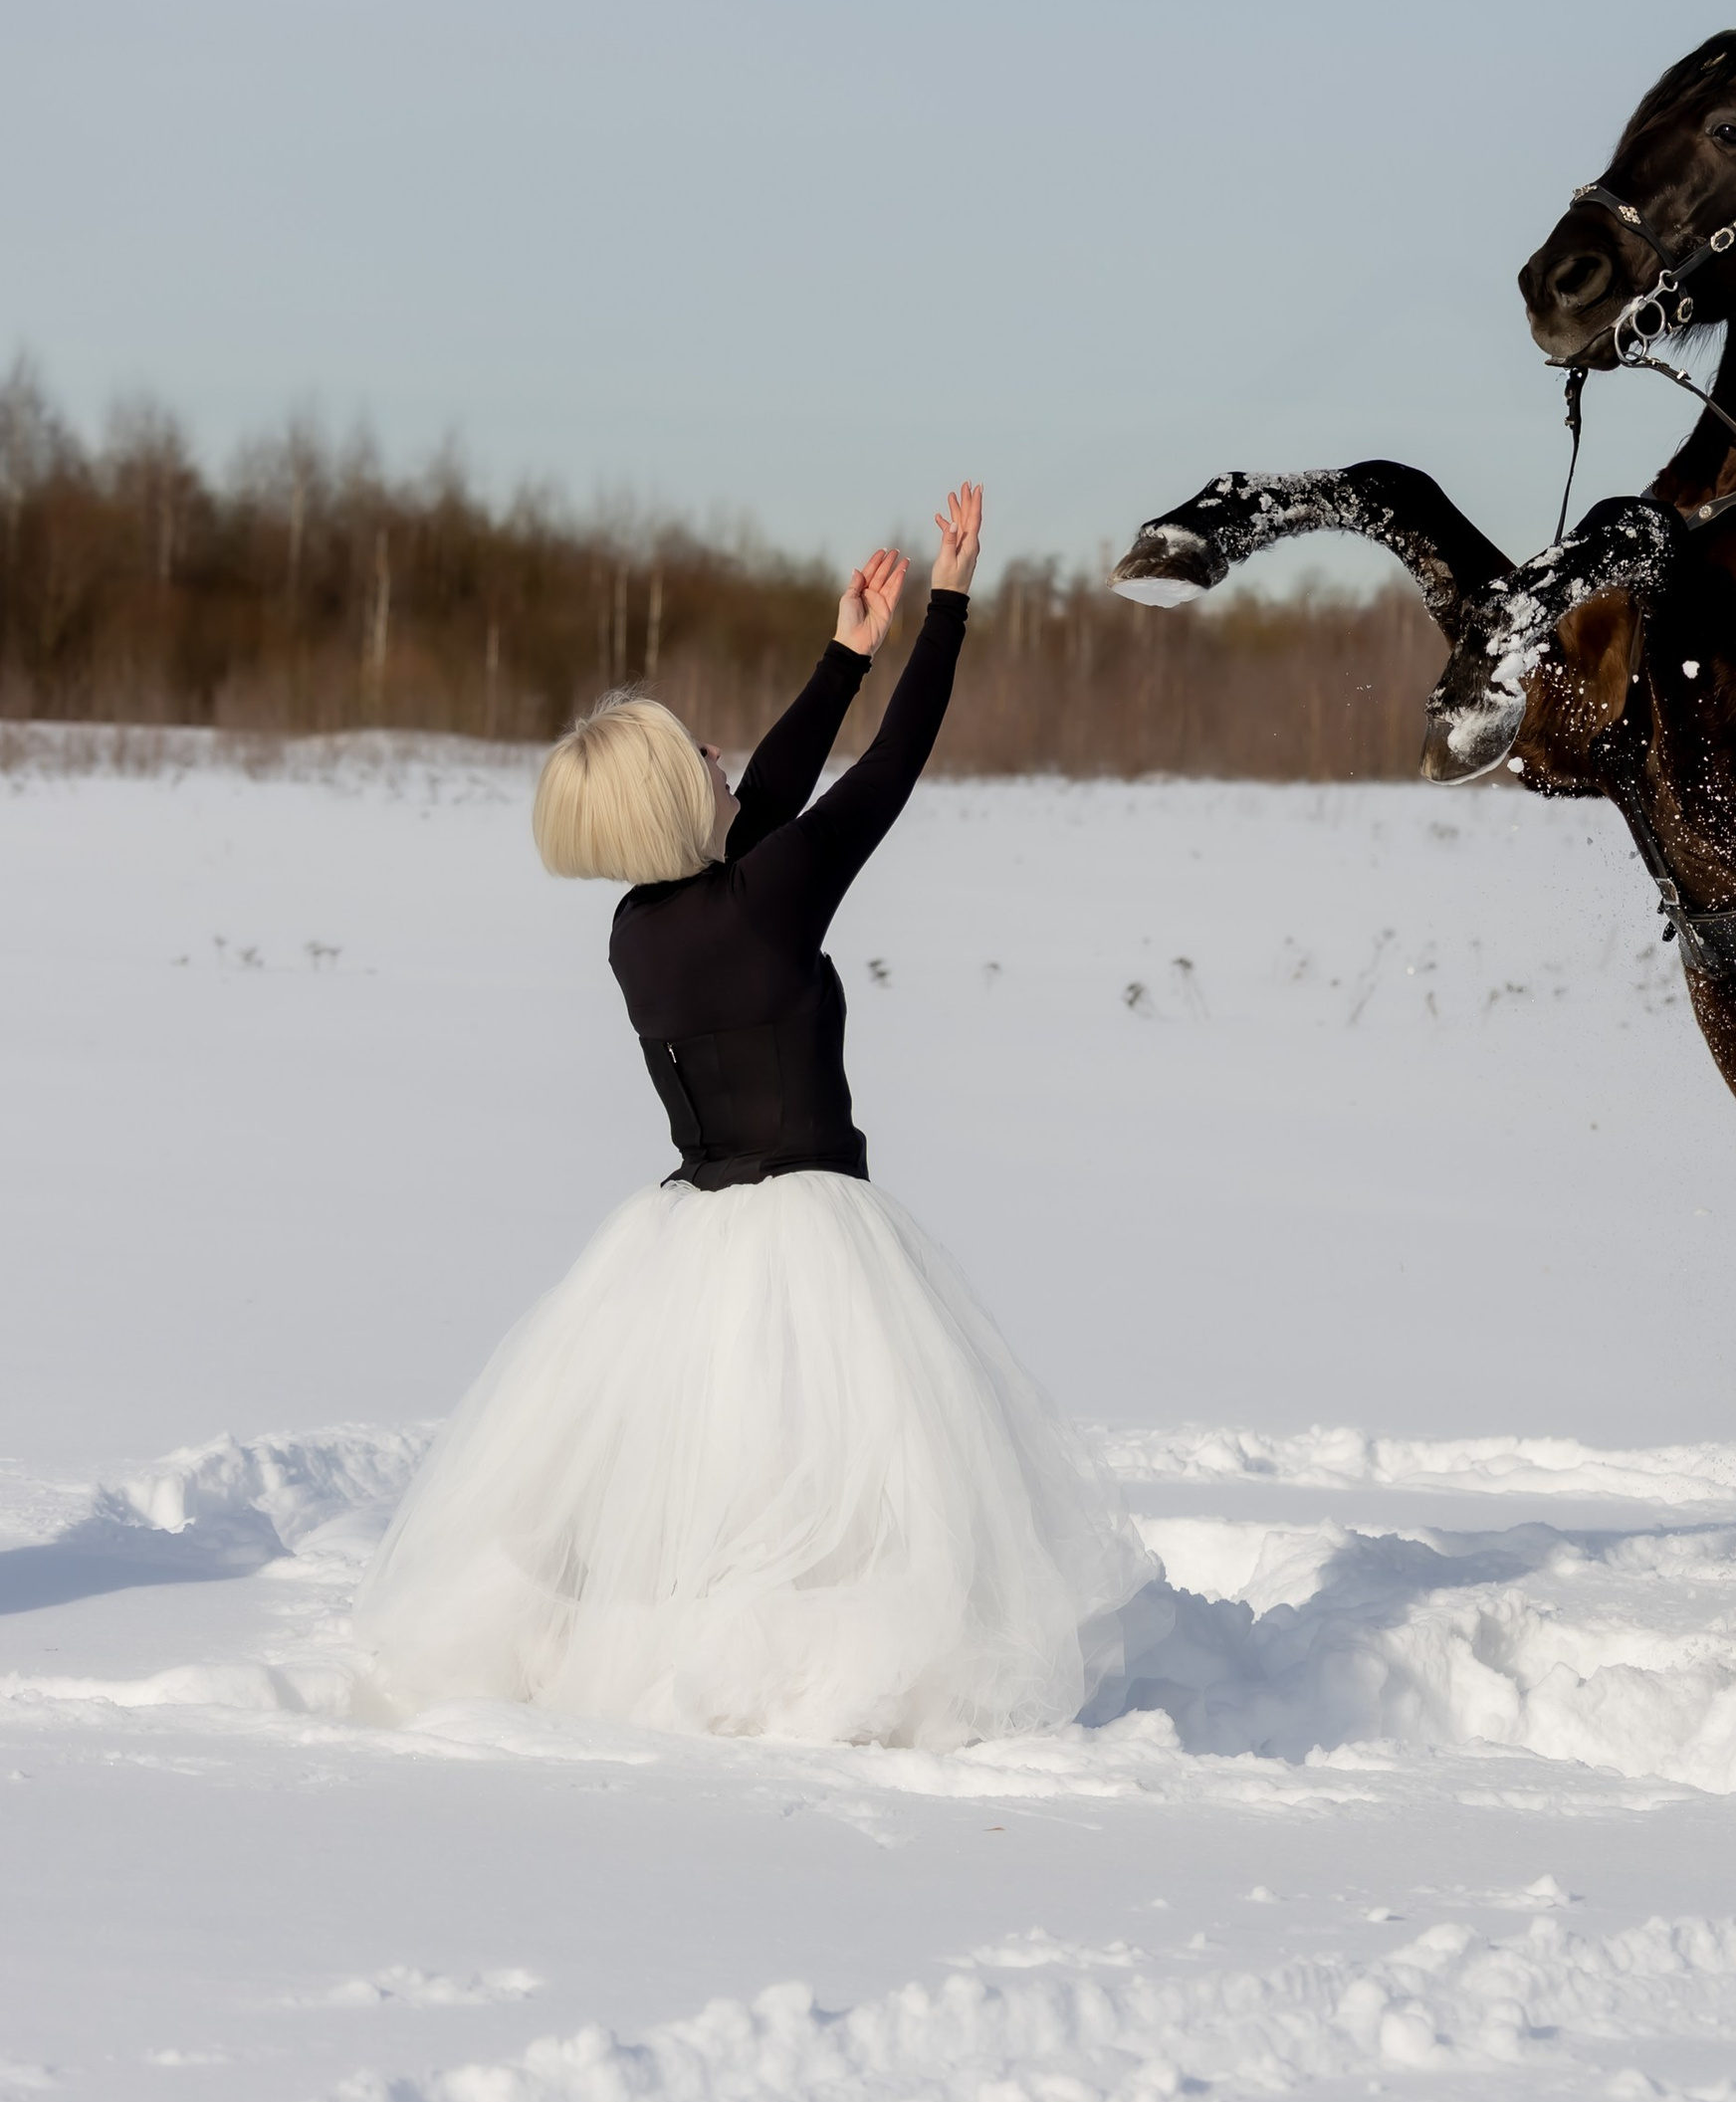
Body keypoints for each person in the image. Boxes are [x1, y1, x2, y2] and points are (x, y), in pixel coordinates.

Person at [355, 484, 1152, 1745]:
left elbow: (767, 809)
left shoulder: (638, 932)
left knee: (708, 1491)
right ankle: (825, 1690)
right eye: (702, 759)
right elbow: (886, 773)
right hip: (811, 1236)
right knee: (839, 1495)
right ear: (679, 801)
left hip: (685, 1238)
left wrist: (845, 652)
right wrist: (947, 604)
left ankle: (666, 1670)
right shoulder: (765, 902)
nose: (725, 757)